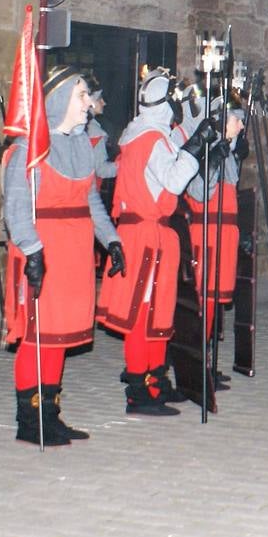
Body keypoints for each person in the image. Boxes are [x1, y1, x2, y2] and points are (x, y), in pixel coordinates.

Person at [3, 66, 124, 445]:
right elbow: (16, 208)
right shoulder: (28, 149)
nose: (89, 103)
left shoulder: (79, 146)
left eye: (87, 95)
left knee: (57, 338)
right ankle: (30, 421)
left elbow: (90, 201)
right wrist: (33, 251)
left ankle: (49, 415)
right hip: (44, 249)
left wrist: (112, 240)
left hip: (75, 254)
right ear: (58, 101)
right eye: (82, 95)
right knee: (37, 335)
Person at [96, 68, 216, 416]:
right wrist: (194, 150)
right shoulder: (149, 139)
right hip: (146, 233)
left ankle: (154, 380)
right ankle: (139, 389)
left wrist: (195, 128)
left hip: (151, 233)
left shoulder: (142, 134)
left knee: (157, 311)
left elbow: (171, 144)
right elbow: (175, 178)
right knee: (142, 314)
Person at [182, 96, 247, 353]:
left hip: (222, 235)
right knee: (203, 300)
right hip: (206, 235)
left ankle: (206, 361)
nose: (241, 126)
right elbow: (198, 192)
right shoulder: (203, 148)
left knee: (213, 301)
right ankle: (196, 362)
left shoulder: (227, 151)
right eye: (236, 120)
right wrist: (213, 162)